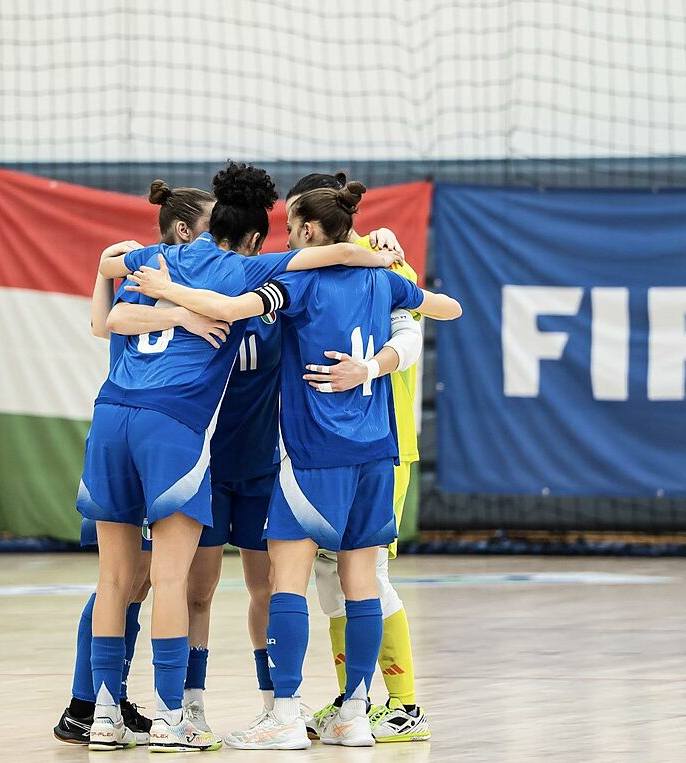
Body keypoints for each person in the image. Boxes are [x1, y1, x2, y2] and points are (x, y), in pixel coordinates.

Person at [123, 178, 461, 750]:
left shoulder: (296, 283)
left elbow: (228, 308)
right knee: (362, 581)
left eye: (290, 227)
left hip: (313, 455)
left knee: (288, 581)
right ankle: (355, 713)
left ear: (306, 230)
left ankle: (283, 713)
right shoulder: (384, 278)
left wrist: (167, 289)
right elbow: (448, 308)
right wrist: (382, 281)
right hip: (376, 452)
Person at [54, 182, 223, 746]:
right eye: (213, 224)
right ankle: (167, 715)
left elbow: (104, 321)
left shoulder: (140, 266)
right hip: (166, 426)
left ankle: (101, 710)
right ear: (185, 229)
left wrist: (114, 275)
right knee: (161, 579)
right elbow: (111, 318)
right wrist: (184, 313)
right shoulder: (204, 271)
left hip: (113, 419)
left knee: (119, 580)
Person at [285, 173, 434, 743]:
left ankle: (405, 705)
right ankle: (355, 700)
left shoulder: (385, 263)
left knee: (367, 574)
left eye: (298, 221)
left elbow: (414, 334)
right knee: (332, 577)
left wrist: (368, 368)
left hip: (382, 445)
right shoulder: (319, 270)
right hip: (333, 447)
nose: (292, 234)